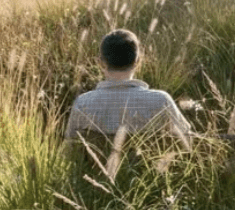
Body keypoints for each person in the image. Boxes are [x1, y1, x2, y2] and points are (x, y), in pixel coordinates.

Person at [66, 29, 192, 173]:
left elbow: (71, 152)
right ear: (138, 61)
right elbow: (187, 142)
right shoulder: (161, 100)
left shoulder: (82, 104)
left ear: (100, 62)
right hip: (151, 187)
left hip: (95, 187)